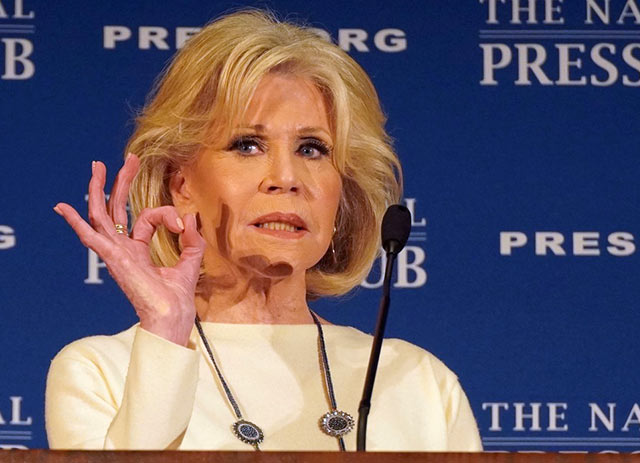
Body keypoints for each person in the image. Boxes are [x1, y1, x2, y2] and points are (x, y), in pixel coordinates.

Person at [46, 9, 482, 451]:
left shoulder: (417, 382)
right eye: (247, 145)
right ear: (181, 186)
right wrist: (166, 332)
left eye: (312, 149)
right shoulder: (102, 372)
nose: (286, 176)